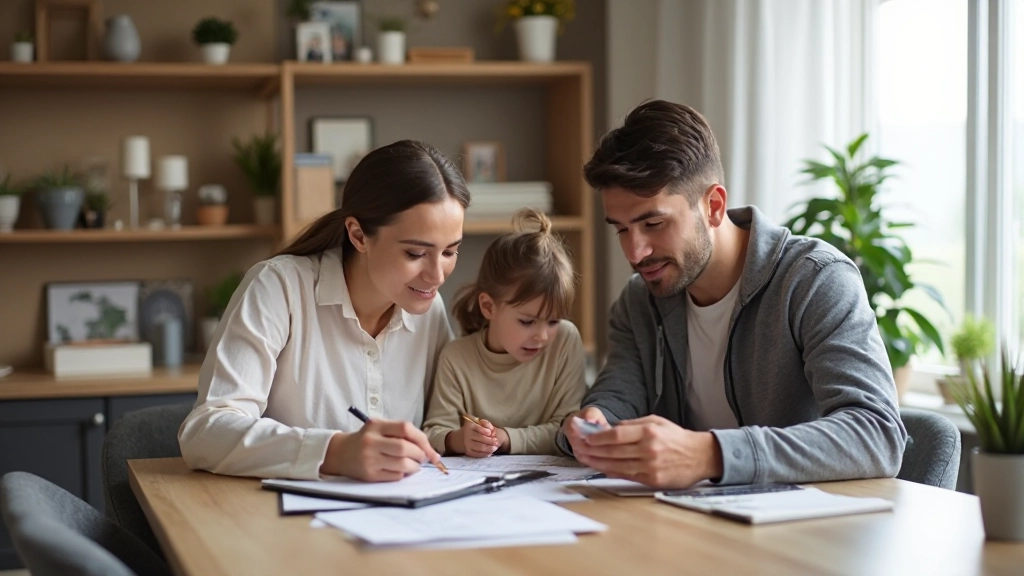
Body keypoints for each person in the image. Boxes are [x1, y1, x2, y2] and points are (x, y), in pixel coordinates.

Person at [556, 100, 906, 488]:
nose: (635, 252)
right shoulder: (640, 301)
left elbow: (877, 434)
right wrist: (594, 421)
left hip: (808, 531)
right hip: (697, 526)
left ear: (714, 206)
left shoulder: (815, 281)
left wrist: (709, 454)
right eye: (621, 229)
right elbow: (618, 396)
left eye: (653, 223)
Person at [179, 140, 469, 482]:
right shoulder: (279, 287)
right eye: (416, 254)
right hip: (272, 520)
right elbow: (204, 433)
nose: (437, 276)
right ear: (359, 235)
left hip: (395, 518)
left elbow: (443, 423)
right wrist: (335, 451)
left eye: (450, 252)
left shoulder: (427, 309)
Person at [423, 208, 585, 457]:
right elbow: (434, 432)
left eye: (553, 321)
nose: (542, 336)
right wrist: (460, 439)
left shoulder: (565, 340)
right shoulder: (456, 357)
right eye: (528, 322)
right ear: (488, 307)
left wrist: (507, 437)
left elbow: (568, 431)